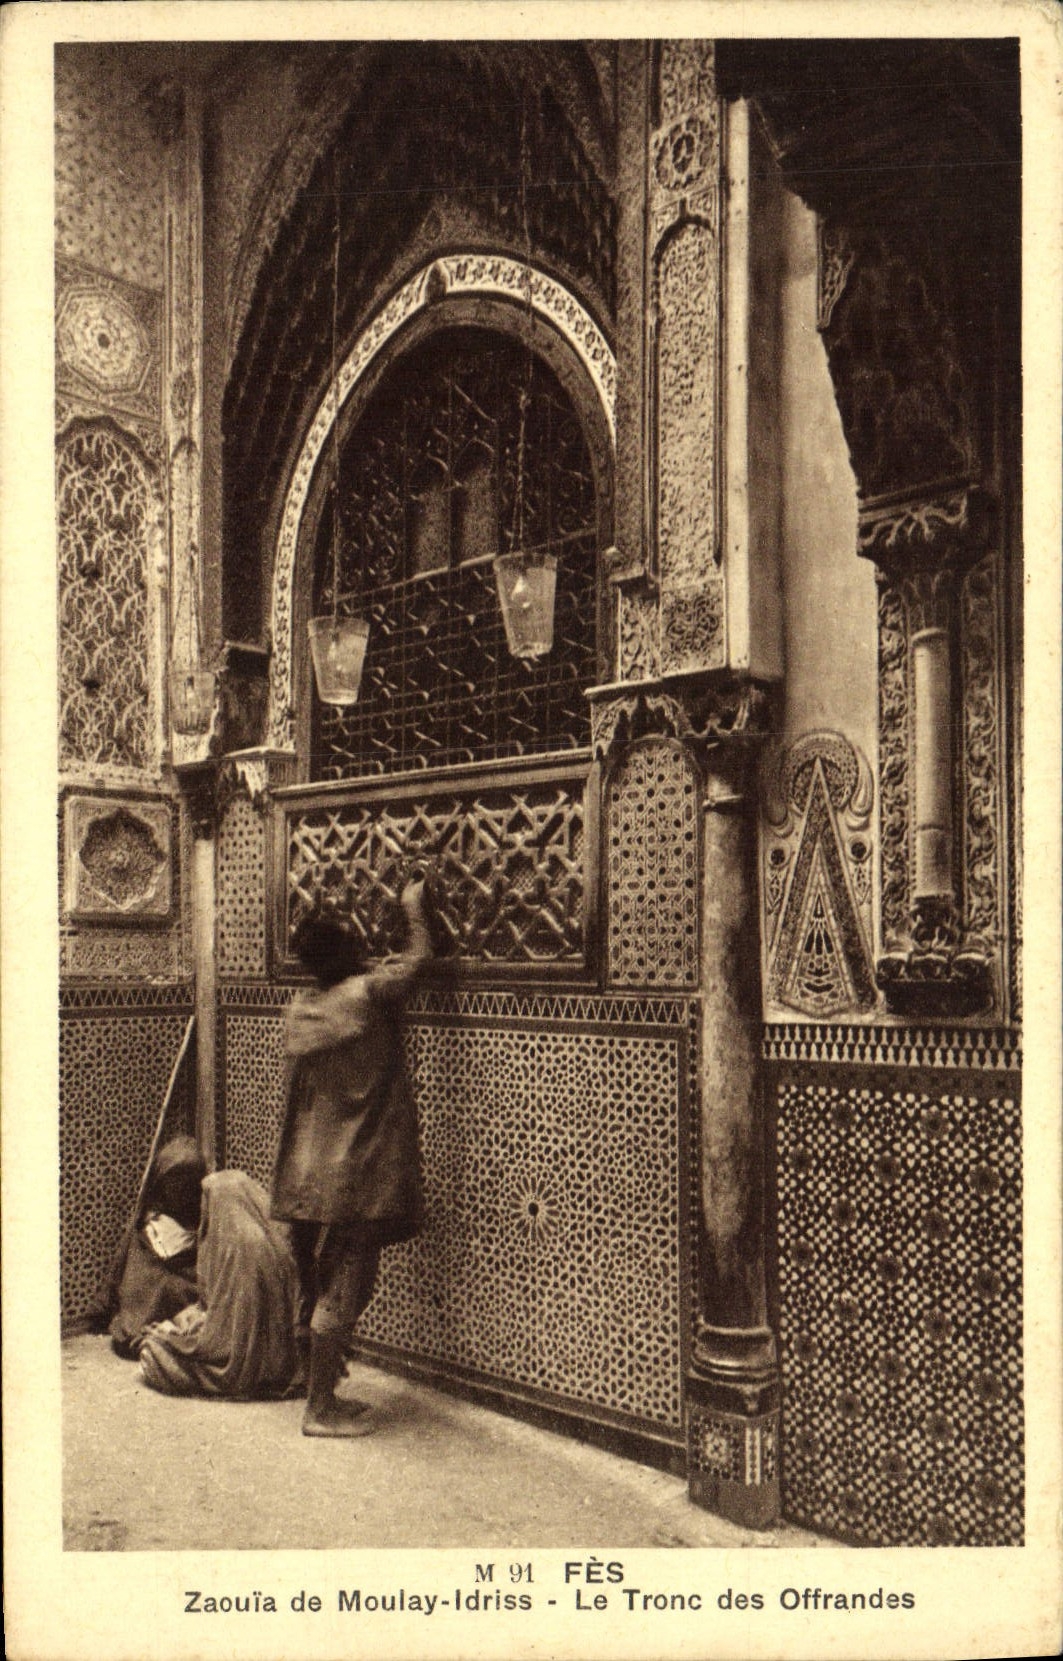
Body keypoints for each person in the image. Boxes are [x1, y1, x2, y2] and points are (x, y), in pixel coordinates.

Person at [271, 878, 435, 1437]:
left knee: (317, 1281)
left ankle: (317, 1386)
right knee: (347, 1287)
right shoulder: (368, 994)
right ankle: (319, 1410)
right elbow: (419, 960)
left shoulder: (302, 1007)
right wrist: (413, 908)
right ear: (346, 955)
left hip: (307, 1171)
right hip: (358, 1172)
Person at [139, 1169, 302, 1399]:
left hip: (240, 1364)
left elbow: (226, 1337)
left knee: (152, 1350)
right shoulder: (272, 1242)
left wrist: (179, 1336)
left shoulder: (235, 1250)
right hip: (284, 1361)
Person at [100, 1134, 206, 1359]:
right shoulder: (145, 1225)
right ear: (162, 1182)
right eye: (174, 1181)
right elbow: (120, 1275)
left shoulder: (206, 1218)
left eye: (187, 1182)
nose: (180, 1189)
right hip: (143, 1308)